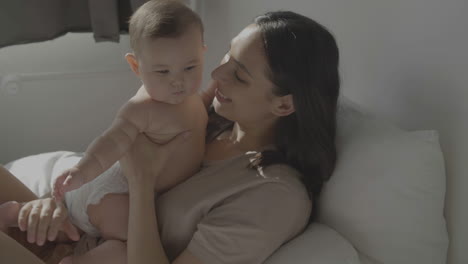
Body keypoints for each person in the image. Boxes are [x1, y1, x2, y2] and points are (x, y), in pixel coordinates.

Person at [0, 10, 340, 264]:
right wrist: (56, 206)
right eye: (226, 56)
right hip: (71, 229)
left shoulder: (273, 196)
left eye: (239, 74)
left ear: (284, 104)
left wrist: (142, 179)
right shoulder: (211, 116)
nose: (217, 73)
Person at [0, 0, 207, 263]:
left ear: (202, 53)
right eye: (162, 71)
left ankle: (16, 216)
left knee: (70, 229)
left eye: (190, 67)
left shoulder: (193, 96)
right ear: (136, 67)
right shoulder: (142, 109)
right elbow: (111, 141)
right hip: (109, 190)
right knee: (128, 246)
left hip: (127, 190)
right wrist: (81, 171)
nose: (178, 80)